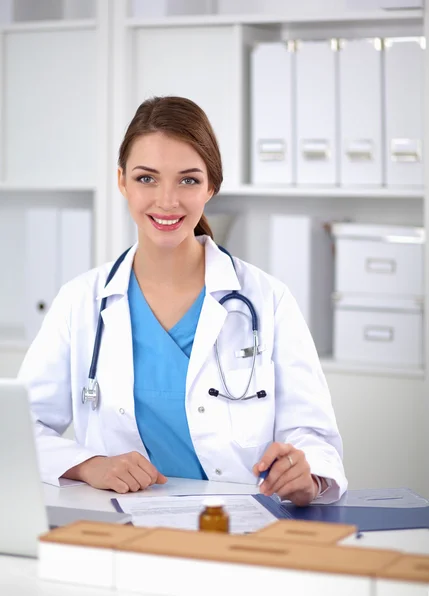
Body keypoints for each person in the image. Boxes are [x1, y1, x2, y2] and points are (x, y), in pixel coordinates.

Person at [19, 96, 347, 506]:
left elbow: (313, 437)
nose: (167, 200)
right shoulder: (80, 303)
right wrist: (90, 464)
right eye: (146, 178)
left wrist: (307, 474)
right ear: (121, 181)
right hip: (123, 526)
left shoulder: (268, 301)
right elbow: (17, 431)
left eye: (188, 180)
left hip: (239, 525)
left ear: (211, 186)